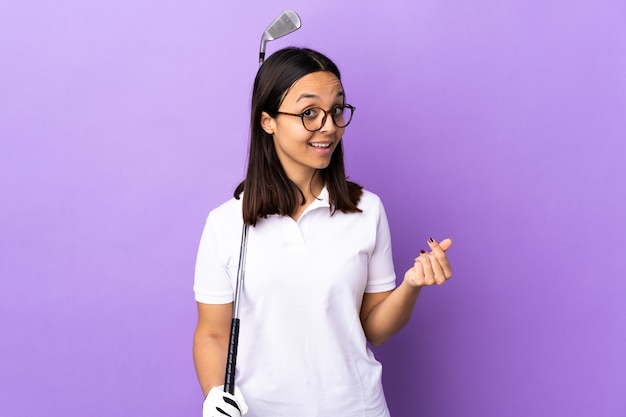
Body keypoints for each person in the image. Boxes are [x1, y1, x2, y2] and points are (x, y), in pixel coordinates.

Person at [193, 47, 453, 417]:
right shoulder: (225, 223)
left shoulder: (366, 209)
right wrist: (214, 393)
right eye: (309, 113)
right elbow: (212, 334)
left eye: (336, 110)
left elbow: (373, 330)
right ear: (268, 121)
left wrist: (410, 285)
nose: (329, 126)